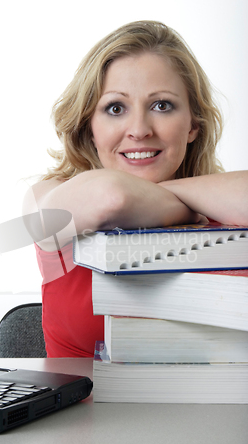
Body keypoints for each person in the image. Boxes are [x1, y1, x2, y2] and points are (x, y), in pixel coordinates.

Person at [24, 20, 248, 358]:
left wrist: (171, 195)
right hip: (87, 411)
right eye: (115, 108)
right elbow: (111, 197)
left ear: (193, 125)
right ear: (90, 128)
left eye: (162, 105)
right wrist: (191, 208)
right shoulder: (46, 197)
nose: (140, 130)